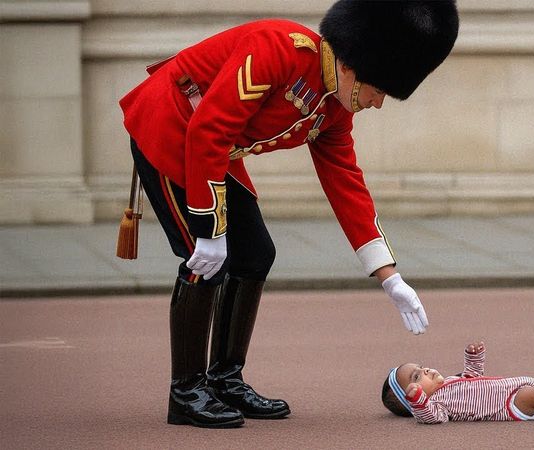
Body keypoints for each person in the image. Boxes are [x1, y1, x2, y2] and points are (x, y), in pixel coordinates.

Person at [117, 1, 459, 428]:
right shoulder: (278, 49)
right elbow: (208, 128)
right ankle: (185, 391)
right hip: (169, 127)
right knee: (206, 261)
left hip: (214, 151)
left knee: (255, 254)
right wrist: (207, 228)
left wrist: (389, 277)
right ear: (354, 67)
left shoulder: (333, 108)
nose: (379, 103)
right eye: (380, 91)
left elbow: (346, 184)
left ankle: (224, 378)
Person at [382, 341, 534, 424]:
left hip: (514, 386)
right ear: (411, 399)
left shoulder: (451, 381)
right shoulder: (437, 405)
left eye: (421, 367)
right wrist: (420, 403)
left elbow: (474, 374)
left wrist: (473, 357)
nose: (426, 370)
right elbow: (431, 417)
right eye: (417, 376)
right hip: (509, 404)